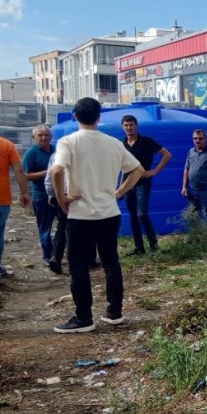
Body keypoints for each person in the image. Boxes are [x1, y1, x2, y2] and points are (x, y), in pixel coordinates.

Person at [52, 98, 145, 333]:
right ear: (99, 116)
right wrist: (119, 192)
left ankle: (84, 318)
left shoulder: (68, 141)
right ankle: (114, 313)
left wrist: (61, 198)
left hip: (80, 215)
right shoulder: (114, 143)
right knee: (111, 263)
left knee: (79, 266)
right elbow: (138, 170)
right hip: (109, 212)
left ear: (75, 116)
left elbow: (56, 170)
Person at [121, 114, 172, 255]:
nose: (129, 128)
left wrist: (155, 171)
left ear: (136, 126)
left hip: (143, 183)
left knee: (142, 214)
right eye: (126, 125)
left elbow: (167, 154)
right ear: (122, 127)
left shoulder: (147, 142)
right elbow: (122, 168)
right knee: (133, 217)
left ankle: (154, 246)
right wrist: (121, 187)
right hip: (128, 185)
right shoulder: (122, 145)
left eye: (131, 125)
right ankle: (139, 247)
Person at [0, 113, 31, 288]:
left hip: (0, 199)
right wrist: (24, 193)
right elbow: (19, 171)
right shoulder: (6, 145)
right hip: (1, 199)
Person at [22, 125, 56, 267]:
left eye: (46, 135)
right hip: (42, 196)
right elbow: (25, 176)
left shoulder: (56, 150)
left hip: (60, 193)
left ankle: (58, 253)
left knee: (65, 226)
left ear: (51, 136)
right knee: (45, 227)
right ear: (34, 137)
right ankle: (47, 256)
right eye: (40, 135)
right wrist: (48, 172)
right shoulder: (31, 153)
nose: (44, 138)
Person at [181, 128, 207, 220]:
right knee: (193, 215)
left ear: (206, 139)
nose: (197, 140)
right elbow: (186, 169)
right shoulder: (191, 152)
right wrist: (184, 186)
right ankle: (196, 234)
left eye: (200, 138)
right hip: (193, 190)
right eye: (195, 138)